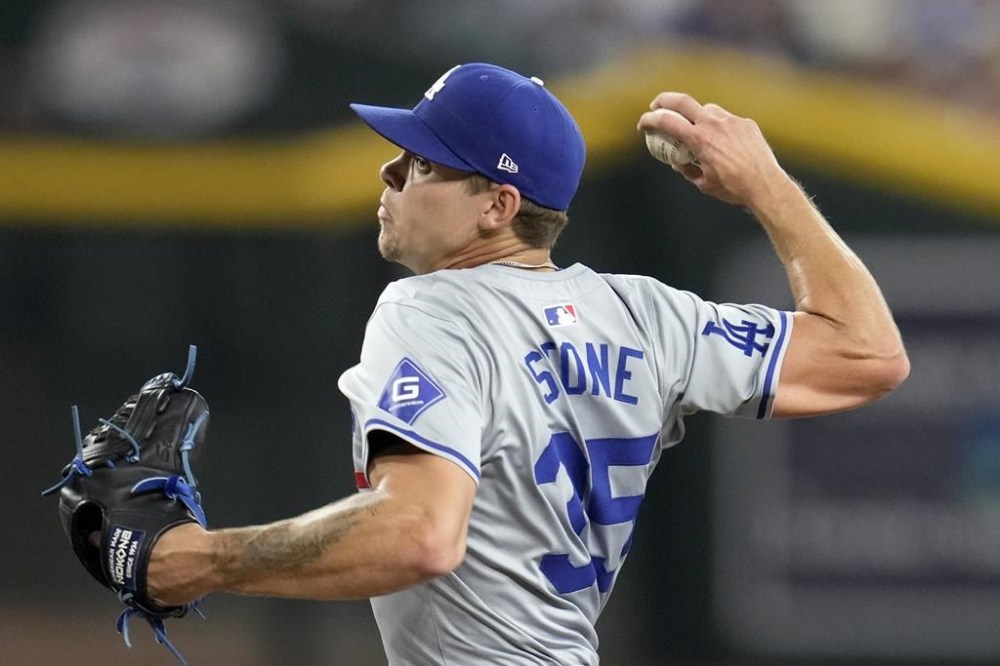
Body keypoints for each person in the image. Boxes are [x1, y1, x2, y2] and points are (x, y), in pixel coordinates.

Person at [147, 62, 909, 663]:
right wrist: (767, 186)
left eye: (422, 164)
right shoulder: (648, 316)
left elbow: (419, 536)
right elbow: (866, 351)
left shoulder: (431, 311)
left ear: (498, 206)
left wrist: (202, 560)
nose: (390, 175)